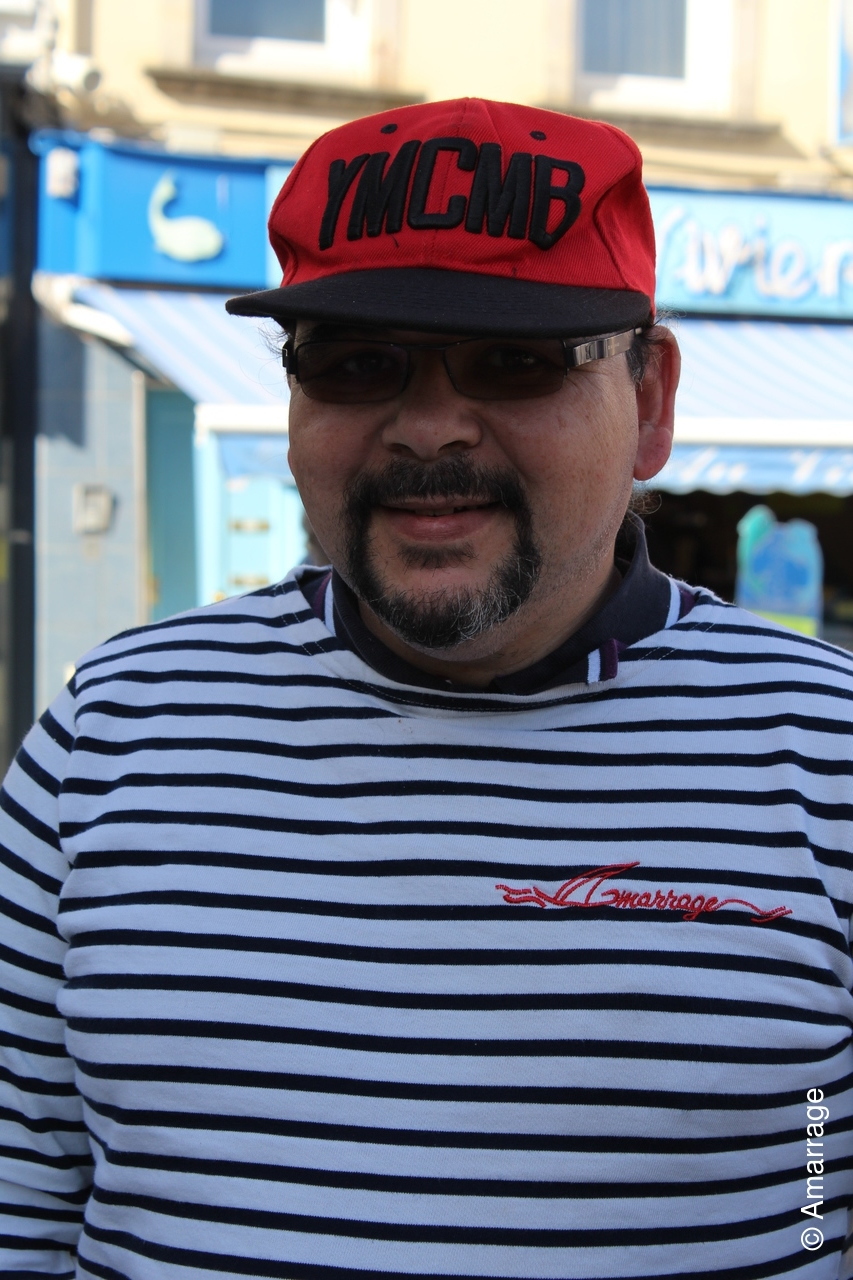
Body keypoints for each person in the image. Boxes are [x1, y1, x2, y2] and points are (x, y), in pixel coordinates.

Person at [0, 97, 851, 1280]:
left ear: (650, 401)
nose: (430, 427)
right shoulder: (110, 736)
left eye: (513, 361)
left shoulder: (825, 753)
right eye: (357, 363)